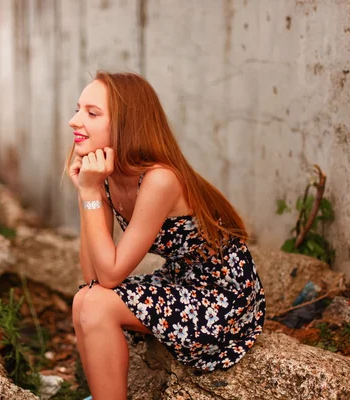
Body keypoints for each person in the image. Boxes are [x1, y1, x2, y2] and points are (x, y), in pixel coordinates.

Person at [64, 71, 266, 400]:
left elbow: (111, 275)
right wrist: (91, 194)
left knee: (97, 305)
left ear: (126, 124)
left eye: (92, 113)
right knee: (84, 300)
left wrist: (89, 191)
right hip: (180, 281)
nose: (74, 120)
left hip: (222, 298)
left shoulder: (160, 179)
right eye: (77, 109)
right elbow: (93, 277)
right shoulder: (106, 176)